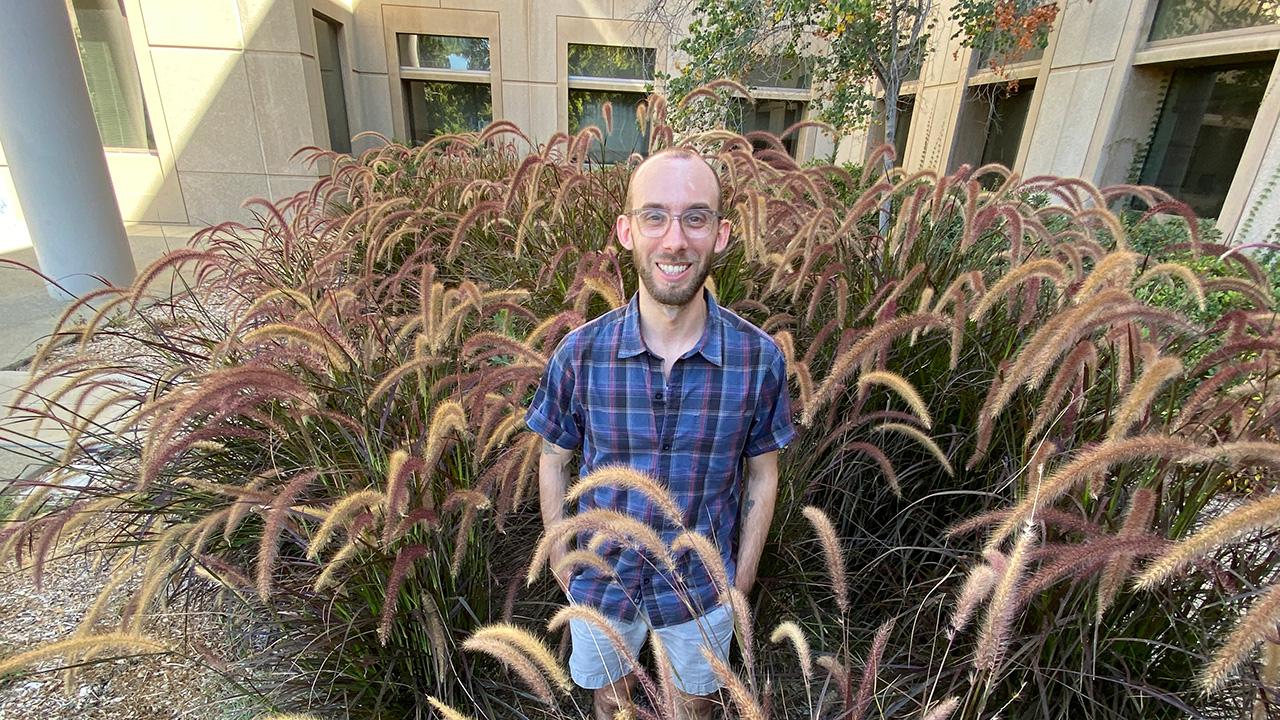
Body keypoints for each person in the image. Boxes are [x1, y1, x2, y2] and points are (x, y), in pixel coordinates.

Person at [525, 146, 796, 720]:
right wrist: (563, 559)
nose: (675, 240)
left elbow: (763, 476)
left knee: (692, 708)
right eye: (655, 216)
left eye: (695, 218)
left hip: (702, 585)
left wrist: (741, 578)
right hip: (602, 580)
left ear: (721, 234)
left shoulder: (759, 359)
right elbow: (553, 457)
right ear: (627, 231)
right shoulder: (580, 354)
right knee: (612, 705)